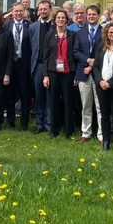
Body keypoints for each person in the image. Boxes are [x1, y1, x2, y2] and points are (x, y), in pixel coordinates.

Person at [43, 8, 78, 138]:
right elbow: (46, 57)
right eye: (58, 17)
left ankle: (69, 130)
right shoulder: (49, 35)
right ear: (54, 20)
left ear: (67, 20)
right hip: (53, 72)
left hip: (68, 72)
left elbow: (75, 55)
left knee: (68, 101)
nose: (61, 19)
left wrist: (76, 75)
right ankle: (54, 130)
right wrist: (45, 75)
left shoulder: (73, 35)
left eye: (63, 17)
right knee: (54, 101)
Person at [73, 4, 105, 144]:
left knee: (99, 105)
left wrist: (92, 65)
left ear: (99, 16)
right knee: (86, 105)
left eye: (94, 14)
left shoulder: (104, 32)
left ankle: (101, 135)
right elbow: (76, 51)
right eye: (89, 14)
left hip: (99, 73)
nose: (91, 16)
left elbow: (105, 51)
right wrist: (87, 60)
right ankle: (86, 133)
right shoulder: (80, 33)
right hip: (83, 73)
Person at [5, 3, 33, 131]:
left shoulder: (30, 26)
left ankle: (24, 123)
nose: (18, 13)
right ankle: (10, 121)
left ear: (24, 12)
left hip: (24, 64)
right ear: (12, 12)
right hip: (10, 64)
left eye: (21, 11)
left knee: (24, 95)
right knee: (10, 94)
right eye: (16, 11)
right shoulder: (6, 26)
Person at [28, 0, 54, 134]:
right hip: (37, 66)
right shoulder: (33, 27)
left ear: (50, 10)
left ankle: (50, 124)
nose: (43, 11)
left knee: (50, 96)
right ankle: (40, 124)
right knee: (39, 96)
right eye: (41, 9)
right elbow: (29, 47)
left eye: (45, 9)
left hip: (52, 67)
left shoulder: (55, 26)